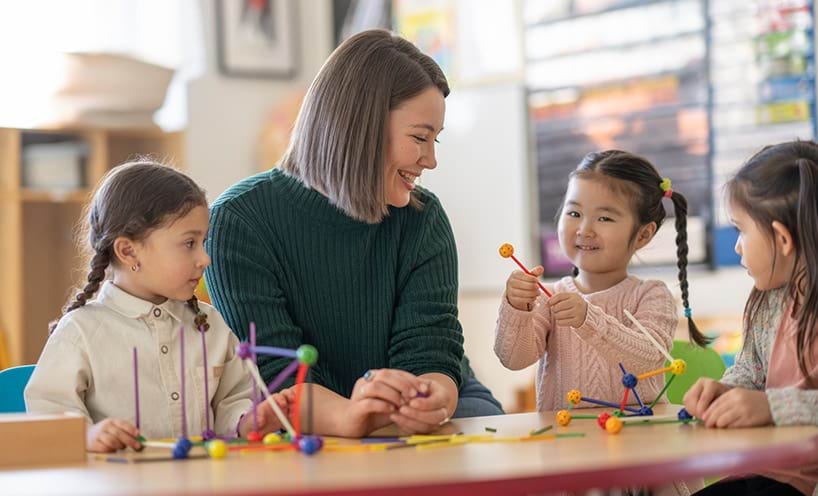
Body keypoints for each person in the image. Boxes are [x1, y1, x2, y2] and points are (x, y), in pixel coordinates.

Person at [205, 29, 503, 438]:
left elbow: (433, 349)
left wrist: (433, 397)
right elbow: (276, 375)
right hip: (309, 418)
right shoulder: (237, 222)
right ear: (359, 125)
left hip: (437, 408)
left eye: (435, 140)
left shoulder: (423, 217)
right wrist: (356, 414)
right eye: (420, 137)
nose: (431, 160)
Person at [26, 161, 286, 453]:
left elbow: (234, 400)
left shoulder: (210, 324)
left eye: (204, 242)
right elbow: (47, 412)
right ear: (128, 251)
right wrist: (87, 436)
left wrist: (248, 421)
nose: (205, 259)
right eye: (189, 243)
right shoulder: (81, 331)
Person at [495, 150, 709, 412]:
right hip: (567, 442)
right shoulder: (548, 296)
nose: (584, 229)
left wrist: (589, 319)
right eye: (574, 213)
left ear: (643, 235)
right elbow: (513, 359)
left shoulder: (652, 295)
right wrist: (516, 308)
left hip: (640, 437)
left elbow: (650, 359)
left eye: (604, 218)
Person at [684, 141, 818, 496]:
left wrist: (771, 407)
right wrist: (728, 390)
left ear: (782, 238)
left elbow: (771, 404)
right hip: (764, 473)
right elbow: (751, 369)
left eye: (741, 230)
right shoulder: (767, 300)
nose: (737, 246)